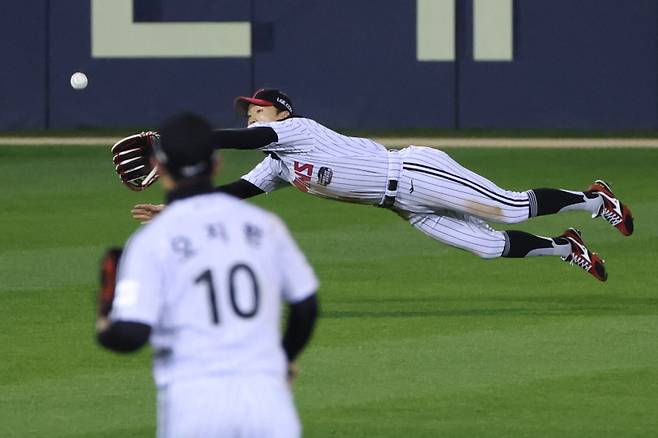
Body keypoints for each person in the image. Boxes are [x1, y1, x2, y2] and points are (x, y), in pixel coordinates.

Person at [119, 88, 634, 282]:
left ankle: (594, 199)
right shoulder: (277, 162)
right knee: (486, 245)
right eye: (248, 110)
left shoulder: (292, 131)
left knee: (509, 208)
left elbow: (235, 141)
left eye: (257, 107)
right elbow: (239, 192)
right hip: (403, 205)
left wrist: (174, 138)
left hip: (414, 172)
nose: (251, 114)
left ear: (280, 111)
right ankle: (564, 247)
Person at [97, 112, 319, 437]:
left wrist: (104, 314)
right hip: (267, 403)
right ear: (216, 165)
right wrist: (283, 361)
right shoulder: (264, 226)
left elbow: (129, 336)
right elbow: (306, 307)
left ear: (158, 167)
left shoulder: (151, 242)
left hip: (195, 405)